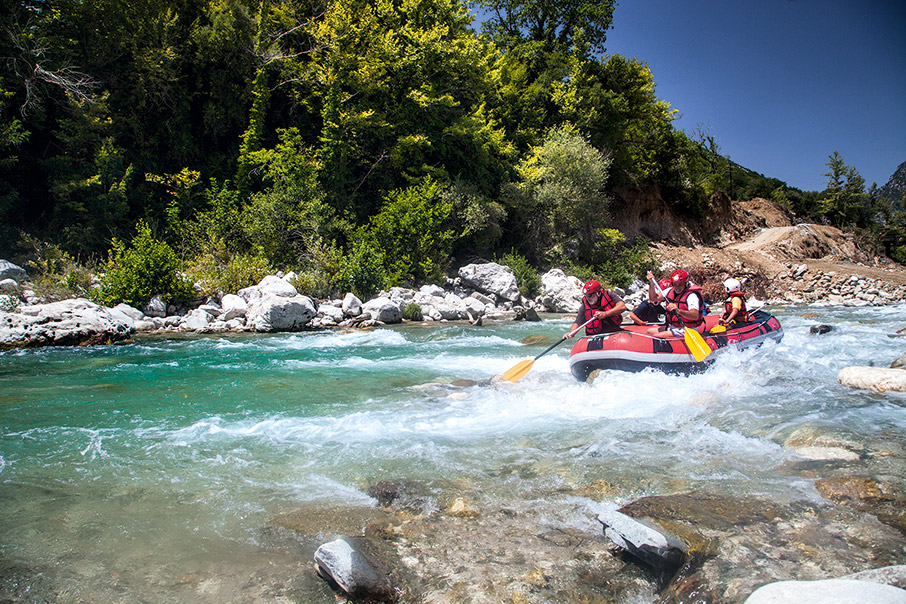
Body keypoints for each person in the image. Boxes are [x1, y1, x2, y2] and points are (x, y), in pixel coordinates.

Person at [647, 269, 705, 339]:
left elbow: (695, 315)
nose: (677, 287)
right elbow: (653, 298)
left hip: (686, 329)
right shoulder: (670, 290)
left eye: (680, 285)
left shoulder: (692, 296)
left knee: (657, 337)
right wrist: (651, 283)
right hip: (673, 327)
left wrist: (678, 311)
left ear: (686, 283)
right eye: (675, 284)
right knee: (649, 331)